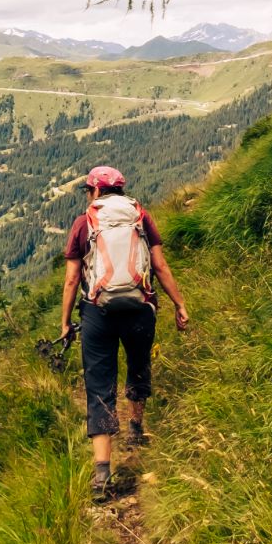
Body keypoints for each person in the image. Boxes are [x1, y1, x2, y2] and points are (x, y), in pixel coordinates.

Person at [60, 164, 188, 503]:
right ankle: (135, 430)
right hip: (139, 307)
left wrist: (64, 322)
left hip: (97, 313)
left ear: (96, 192)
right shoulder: (141, 218)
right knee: (138, 363)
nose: (89, 195)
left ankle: (102, 472)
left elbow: (72, 279)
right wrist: (179, 303)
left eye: (89, 190)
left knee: (100, 383)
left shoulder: (83, 223)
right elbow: (159, 266)